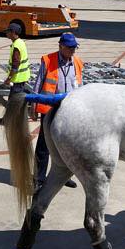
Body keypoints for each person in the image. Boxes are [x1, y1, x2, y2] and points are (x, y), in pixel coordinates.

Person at [30, 32, 82, 191]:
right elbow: (38, 83)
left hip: (69, 111)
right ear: (61, 46)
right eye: (70, 48)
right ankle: (39, 179)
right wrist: (33, 104)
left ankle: (63, 177)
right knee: (44, 146)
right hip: (50, 110)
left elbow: (80, 86)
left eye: (74, 48)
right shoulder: (48, 60)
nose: (73, 51)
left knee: (67, 146)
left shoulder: (77, 62)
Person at [0, 22, 30, 123]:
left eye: (8, 31)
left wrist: (8, 79)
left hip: (18, 79)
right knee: (14, 101)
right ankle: (10, 120)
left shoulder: (16, 46)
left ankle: (9, 121)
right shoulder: (20, 42)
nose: (6, 33)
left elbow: (15, 65)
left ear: (13, 32)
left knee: (13, 102)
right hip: (22, 77)